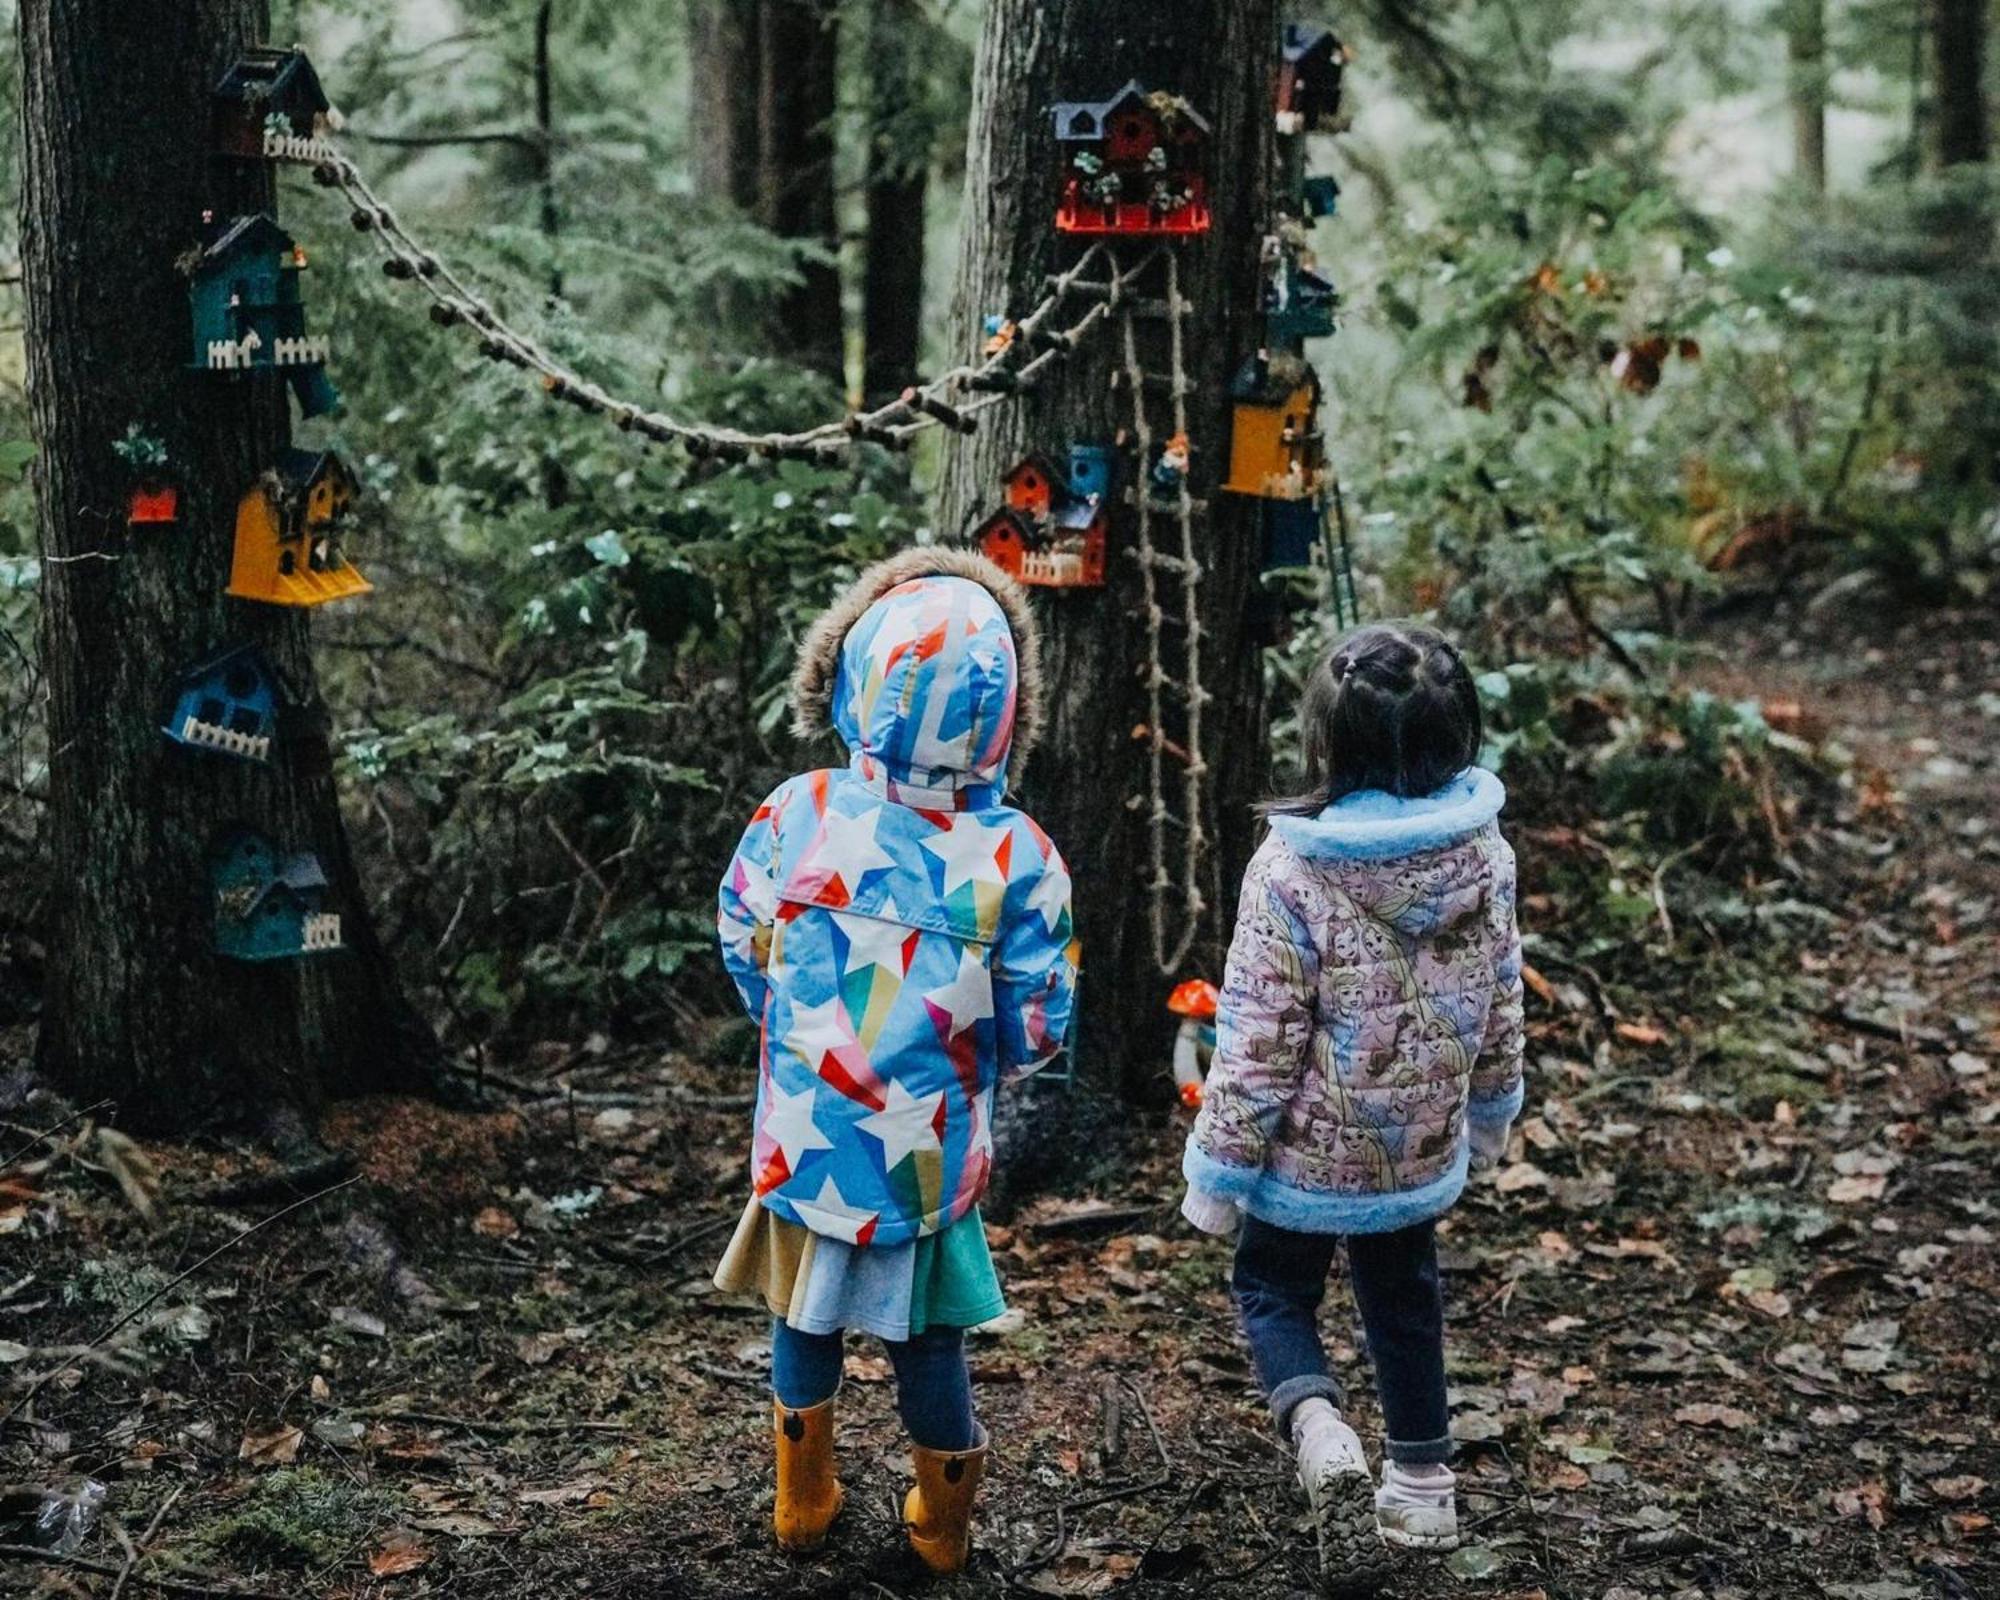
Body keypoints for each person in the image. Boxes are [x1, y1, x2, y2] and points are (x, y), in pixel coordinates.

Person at [712, 549, 1075, 1575]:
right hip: (927, 1154)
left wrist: (785, 1031)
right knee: (928, 1341)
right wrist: (979, 1066)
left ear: (853, 678)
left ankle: (802, 1500)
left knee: (802, 1315)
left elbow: (741, 936)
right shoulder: (1018, 856)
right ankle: (940, 1526)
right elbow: (1041, 1018)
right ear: (1009, 713)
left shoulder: (797, 811)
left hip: (804, 1139)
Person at [1179, 622, 1525, 1589]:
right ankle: (1422, 1484)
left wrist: (1219, 1170)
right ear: (1460, 737)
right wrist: (1495, 1106)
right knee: (1404, 1299)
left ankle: (1321, 1428)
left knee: (1270, 1290)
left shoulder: (1290, 872)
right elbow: (1503, 992)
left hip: (1300, 1158)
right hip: (1415, 1151)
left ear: (1324, 746)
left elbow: (1255, 1040)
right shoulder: (1485, 859)